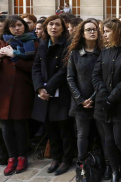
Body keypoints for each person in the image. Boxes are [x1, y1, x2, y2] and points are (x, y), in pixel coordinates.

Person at [0, 15, 38, 175]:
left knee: (19, 125)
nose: (17, 28)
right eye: (13, 26)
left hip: (21, 91)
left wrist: (14, 57)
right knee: (5, 126)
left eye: (19, 25)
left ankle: (22, 156)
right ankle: (11, 157)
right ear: (7, 29)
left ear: (24, 26)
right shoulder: (0, 42)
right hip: (1, 91)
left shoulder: (33, 42)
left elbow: (34, 68)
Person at [92, 18, 121, 182]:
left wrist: (111, 98)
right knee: (108, 140)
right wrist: (104, 94)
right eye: (103, 31)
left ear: (116, 32)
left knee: (120, 139)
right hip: (103, 104)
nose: (103, 35)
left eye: (106, 31)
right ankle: (114, 170)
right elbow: (96, 74)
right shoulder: (105, 51)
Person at [31, 15, 73, 176]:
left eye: (57, 25)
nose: (53, 27)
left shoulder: (67, 45)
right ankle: (56, 157)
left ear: (63, 28)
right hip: (44, 94)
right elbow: (35, 68)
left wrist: (48, 86)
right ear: (46, 28)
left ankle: (66, 159)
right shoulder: (42, 44)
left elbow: (65, 69)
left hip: (60, 91)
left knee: (64, 128)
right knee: (50, 128)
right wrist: (39, 88)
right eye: (50, 25)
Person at [66, 19, 103, 168]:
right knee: (82, 135)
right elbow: (70, 77)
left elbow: (104, 78)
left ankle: (102, 162)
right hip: (80, 102)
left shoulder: (103, 52)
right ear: (82, 33)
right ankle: (82, 164)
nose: (92, 32)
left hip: (99, 100)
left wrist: (93, 98)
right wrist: (80, 99)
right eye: (88, 30)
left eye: (94, 29)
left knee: (102, 135)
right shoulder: (75, 54)